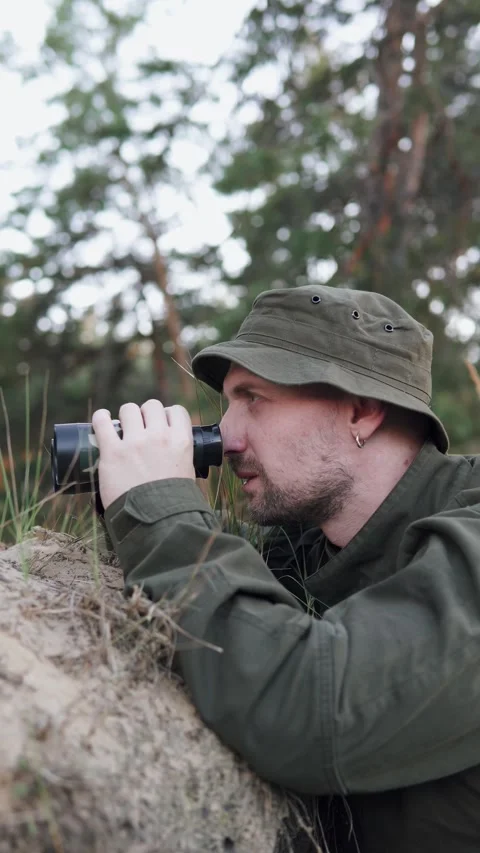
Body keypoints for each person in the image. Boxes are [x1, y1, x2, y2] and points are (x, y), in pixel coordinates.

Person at [92, 285, 480, 853]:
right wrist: (130, 500)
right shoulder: (301, 546)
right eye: (227, 403)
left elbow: (313, 711)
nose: (224, 435)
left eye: (254, 398)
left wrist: (162, 509)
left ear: (361, 410)